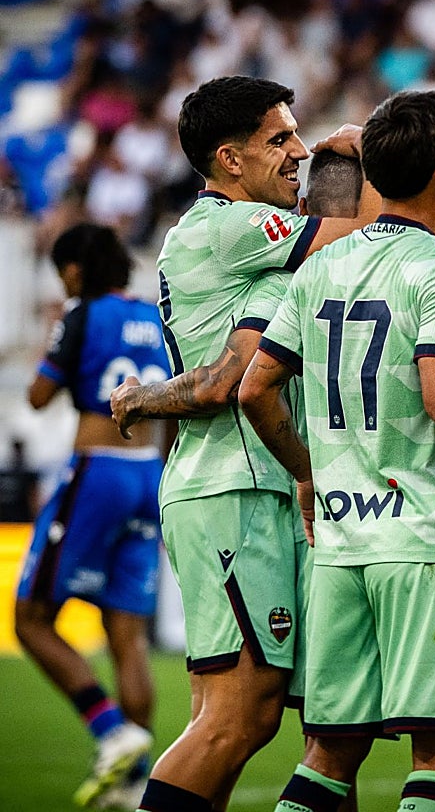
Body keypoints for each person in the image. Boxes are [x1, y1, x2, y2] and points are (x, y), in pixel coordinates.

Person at [237, 89, 435, 812]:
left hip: (343, 542)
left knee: (329, 753)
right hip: (425, 537)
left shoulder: (322, 266)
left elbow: (255, 390)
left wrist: (310, 474)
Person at [107, 75, 378, 812]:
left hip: (244, 488)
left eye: (295, 135)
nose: (295, 151)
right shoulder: (231, 228)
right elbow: (381, 236)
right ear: (230, 159)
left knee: (261, 717)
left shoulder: (245, 243)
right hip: (233, 488)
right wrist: (370, 158)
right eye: (279, 139)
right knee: (240, 717)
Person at [15, 223, 170, 809]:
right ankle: (137, 782)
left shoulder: (81, 314)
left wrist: (56, 335)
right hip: (148, 473)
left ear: (75, 270)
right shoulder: (157, 317)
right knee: (126, 633)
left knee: (30, 616)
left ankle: (113, 734)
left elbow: (35, 396)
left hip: (96, 472)